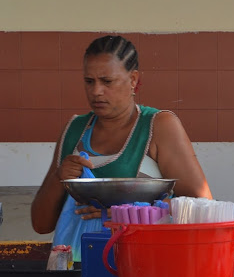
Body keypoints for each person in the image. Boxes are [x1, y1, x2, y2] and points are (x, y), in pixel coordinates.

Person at [31, 35, 212, 260]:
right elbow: (40, 223)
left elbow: (203, 205)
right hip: (75, 275)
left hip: (143, 268)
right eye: (89, 81)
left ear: (133, 80)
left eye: (107, 82)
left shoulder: (159, 126)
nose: (96, 91)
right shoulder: (74, 130)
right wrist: (59, 178)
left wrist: (124, 213)